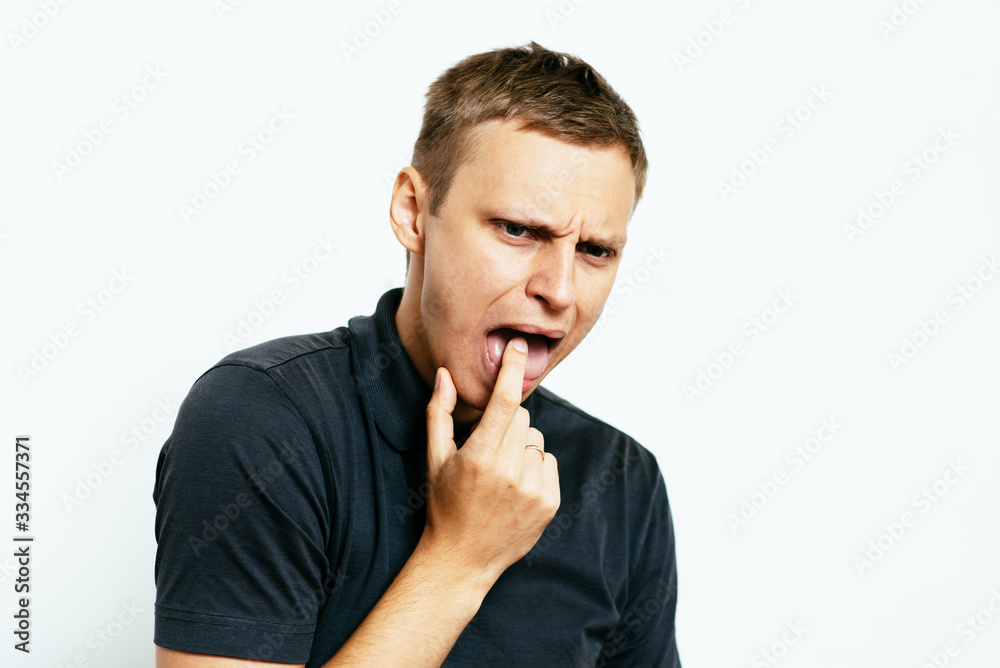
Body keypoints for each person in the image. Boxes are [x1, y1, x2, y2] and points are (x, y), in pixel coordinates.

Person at [153, 41, 680, 667]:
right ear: (413, 212)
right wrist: (460, 559)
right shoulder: (260, 418)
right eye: (518, 229)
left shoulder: (624, 479)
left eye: (595, 251)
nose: (560, 291)